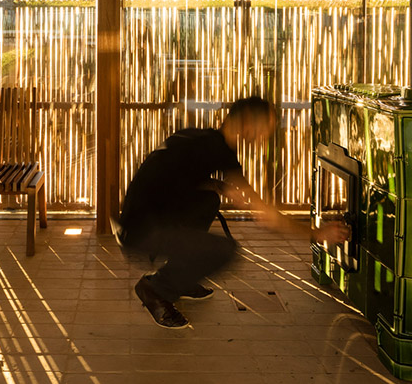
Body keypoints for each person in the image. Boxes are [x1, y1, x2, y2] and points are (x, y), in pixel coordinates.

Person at [117, 95, 350, 329]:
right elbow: (267, 216)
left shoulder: (202, 140)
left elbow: (171, 180)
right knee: (224, 250)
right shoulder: (214, 148)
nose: (266, 136)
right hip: (142, 231)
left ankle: (181, 277)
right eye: (265, 128)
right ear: (248, 120)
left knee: (209, 199)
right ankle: (155, 289)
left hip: (138, 221)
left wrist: (218, 185)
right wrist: (318, 234)